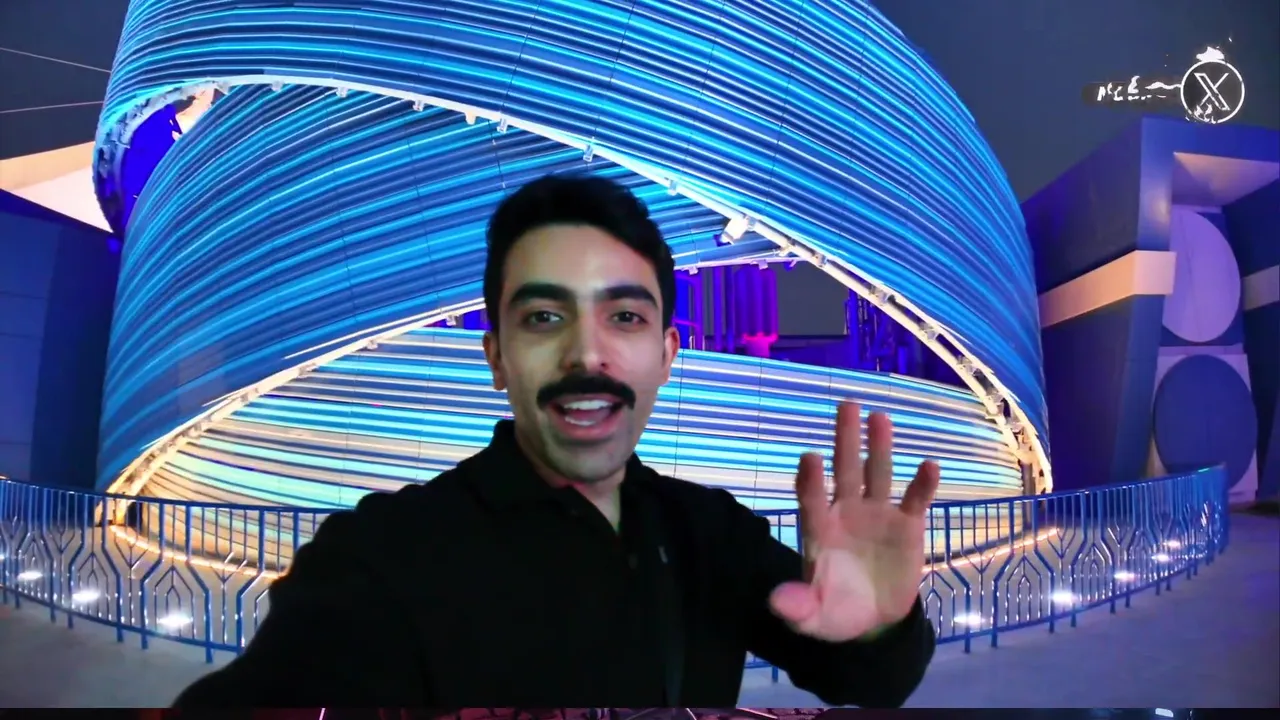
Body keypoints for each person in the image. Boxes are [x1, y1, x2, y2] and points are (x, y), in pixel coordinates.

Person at [173, 174, 939, 708]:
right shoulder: (379, 558)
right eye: (544, 317)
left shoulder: (711, 532)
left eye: (625, 317)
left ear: (667, 355)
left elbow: (868, 681)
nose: (586, 354)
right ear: (497, 357)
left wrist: (880, 626)